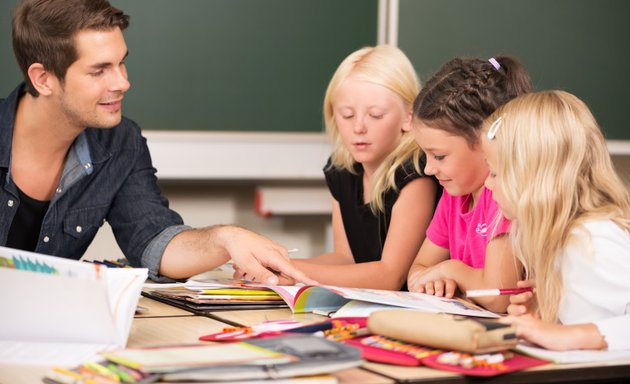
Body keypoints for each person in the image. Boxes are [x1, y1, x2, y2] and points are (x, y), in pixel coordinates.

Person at [0, 0, 315, 285]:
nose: (123, 82)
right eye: (99, 71)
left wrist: (226, 238)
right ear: (43, 79)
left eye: (121, 62)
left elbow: (153, 241)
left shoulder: (121, 142)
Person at [273, 45, 439, 289]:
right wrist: (274, 264)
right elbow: (344, 258)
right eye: (347, 115)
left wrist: (290, 270)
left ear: (408, 117)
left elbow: (389, 276)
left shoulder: (416, 174)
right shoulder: (343, 170)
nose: (359, 127)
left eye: (375, 115)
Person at [482, 90, 630, 351]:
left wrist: (571, 335)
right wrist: (550, 310)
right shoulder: (561, 240)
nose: (487, 183)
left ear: (533, 177)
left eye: (495, 172)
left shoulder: (592, 239)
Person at [406, 56, 532, 312]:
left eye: (439, 156)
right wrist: (436, 284)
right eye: (426, 155)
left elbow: (497, 295)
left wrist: (450, 270)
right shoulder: (453, 194)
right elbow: (416, 273)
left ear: (485, 143)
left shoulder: (503, 197)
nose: (429, 169)